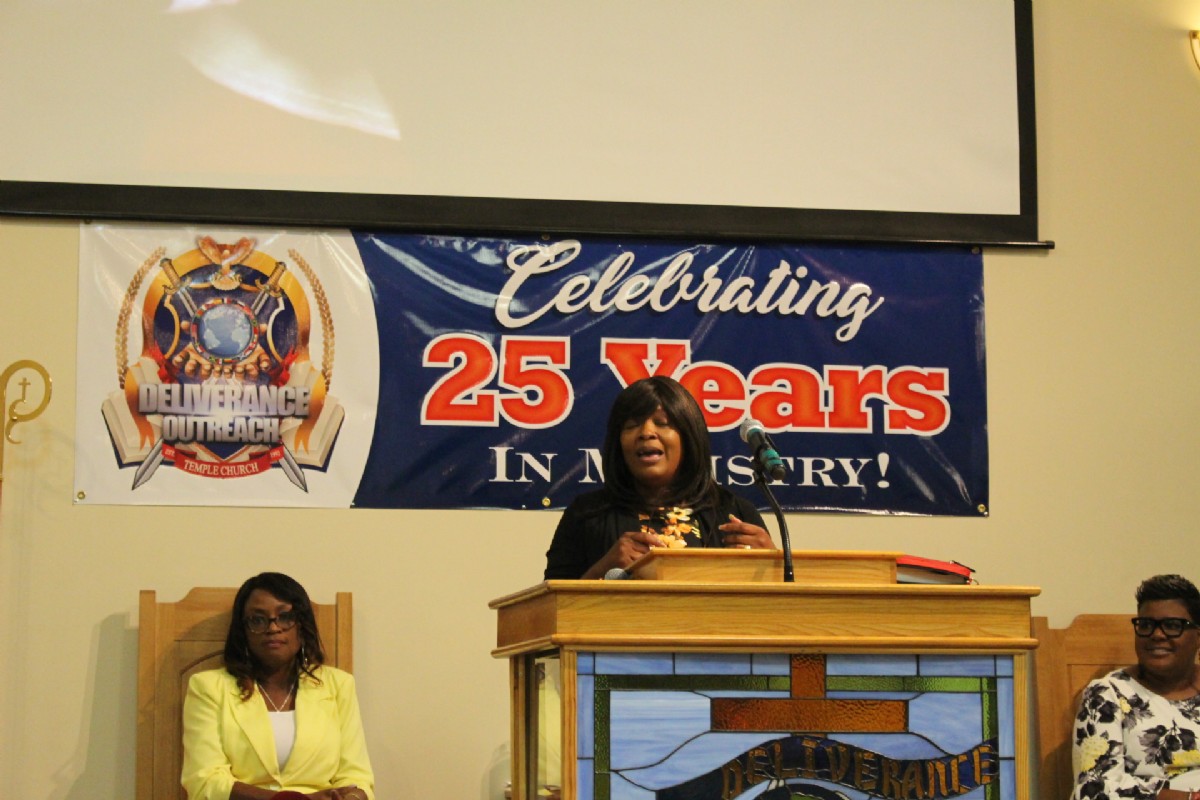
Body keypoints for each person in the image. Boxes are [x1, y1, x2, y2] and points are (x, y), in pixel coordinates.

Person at [544, 376, 774, 580]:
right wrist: (604, 569)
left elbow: (775, 605)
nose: (646, 433)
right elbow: (550, 606)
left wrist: (773, 564)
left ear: (689, 437)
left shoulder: (735, 511)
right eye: (632, 425)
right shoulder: (586, 514)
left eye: (662, 423)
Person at [181, 572, 375, 800]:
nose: (273, 628)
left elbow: (357, 777)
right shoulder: (208, 687)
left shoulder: (339, 685)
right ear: (243, 631)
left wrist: (351, 797)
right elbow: (204, 781)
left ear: (301, 625)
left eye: (285, 617)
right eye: (258, 620)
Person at [1072, 574, 1200, 800]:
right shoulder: (1107, 695)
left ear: (1198, 636)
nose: (1157, 635)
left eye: (1172, 626)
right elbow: (1094, 789)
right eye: (1146, 625)